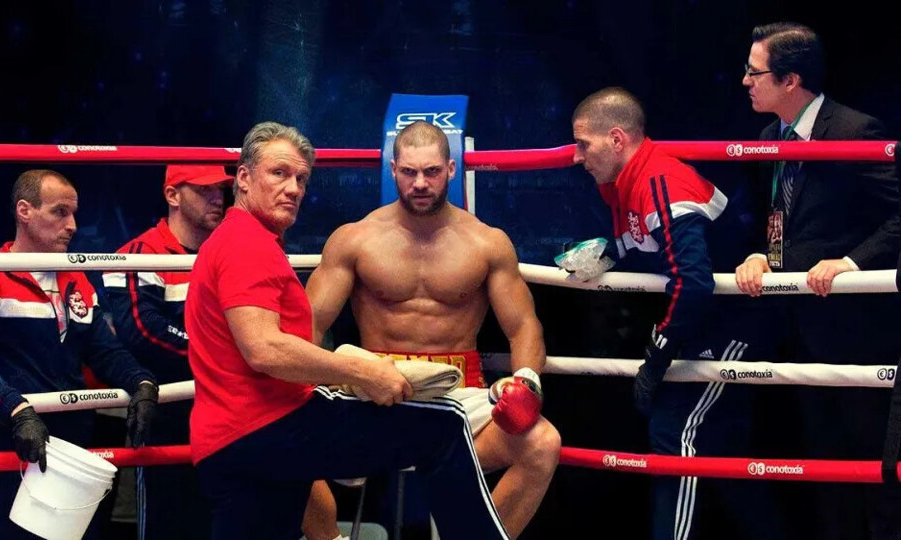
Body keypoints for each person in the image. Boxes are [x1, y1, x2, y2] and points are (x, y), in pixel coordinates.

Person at [186, 121, 509, 540]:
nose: (293, 188)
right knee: (444, 427)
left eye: (301, 178)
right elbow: (264, 348)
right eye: (279, 173)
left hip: (234, 439)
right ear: (243, 178)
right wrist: (365, 371)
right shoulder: (245, 242)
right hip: (266, 426)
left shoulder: (245, 239)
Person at [304, 120, 562, 538]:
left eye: (432, 171)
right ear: (393, 170)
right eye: (409, 172)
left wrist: (527, 383)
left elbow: (523, 327)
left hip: (457, 396)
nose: (420, 183)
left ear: (451, 169)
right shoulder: (355, 239)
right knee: (277, 432)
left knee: (541, 443)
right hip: (374, 394)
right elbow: (310, 324)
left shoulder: (487, 242)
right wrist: (301, 390)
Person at [572, 87, 782, 540]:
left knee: (676, 433)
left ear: (616, 139)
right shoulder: (622, 183)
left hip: (734, 321)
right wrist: (603, 256)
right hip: (702, 322)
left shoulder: (659, 181)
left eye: (583, 144)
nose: (576, 156)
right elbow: (647, 245)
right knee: (724, 450)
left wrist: (657, 356)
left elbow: (695, 282)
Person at [734, 22, 901, 540]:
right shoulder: (770, 137)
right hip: (799, 325)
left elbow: (898, 216)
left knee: (869, 458)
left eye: (754, 72)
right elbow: (781, 216)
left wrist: (852, 262)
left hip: (858, 329)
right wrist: (762, 255)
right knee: (821, 460)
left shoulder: (856, 130)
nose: (744, 81)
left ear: (790, 80)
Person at [0, 169, 158, 539]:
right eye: (60, 212)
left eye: (74, 213)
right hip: (4, 441)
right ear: (24, 211)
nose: (72, 225)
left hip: (68, 446)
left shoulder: (76, 279)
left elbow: (104, 352)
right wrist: (16, 409)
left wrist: (141, 382)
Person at [103, 164, 233, 540]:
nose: (217, 198)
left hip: (228, 407)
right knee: (168, 521)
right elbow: (142, 331)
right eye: (204, 190)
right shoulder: (137, 254)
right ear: (172, 195)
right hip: (170, 411)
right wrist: (222, 354)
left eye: (221, 189)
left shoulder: (229, 252)